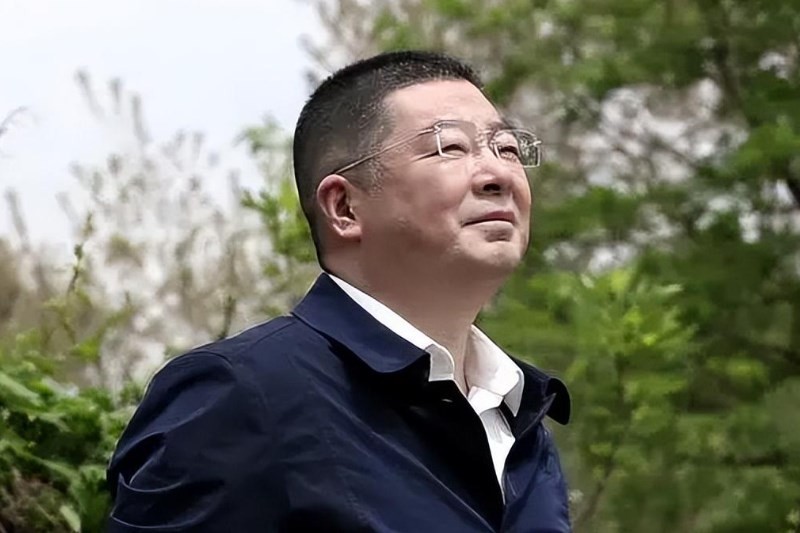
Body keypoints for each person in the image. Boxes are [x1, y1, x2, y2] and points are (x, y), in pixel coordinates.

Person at [106, 50, 572, 532]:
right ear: (344, 207)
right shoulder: (243, 396)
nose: (499, 175)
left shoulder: (519, 419)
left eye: (506, 149)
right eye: (451, 148)